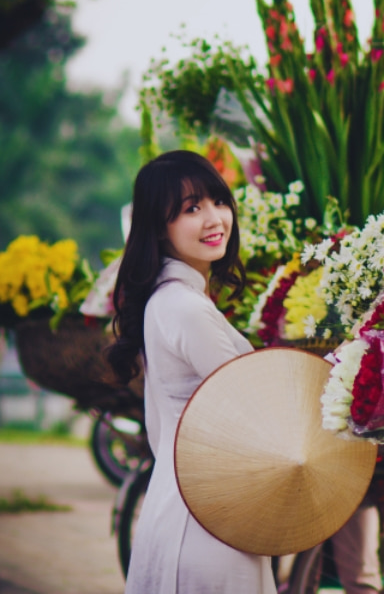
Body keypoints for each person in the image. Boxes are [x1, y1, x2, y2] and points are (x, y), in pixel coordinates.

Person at [107, 150, 277, 594]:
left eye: (218, 201)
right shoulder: (184, 307)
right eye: (190, 209)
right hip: (206, 522)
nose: (214, 218)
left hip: (189, 507)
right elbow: (258, 410)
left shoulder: (172, 299)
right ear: (159, 230)